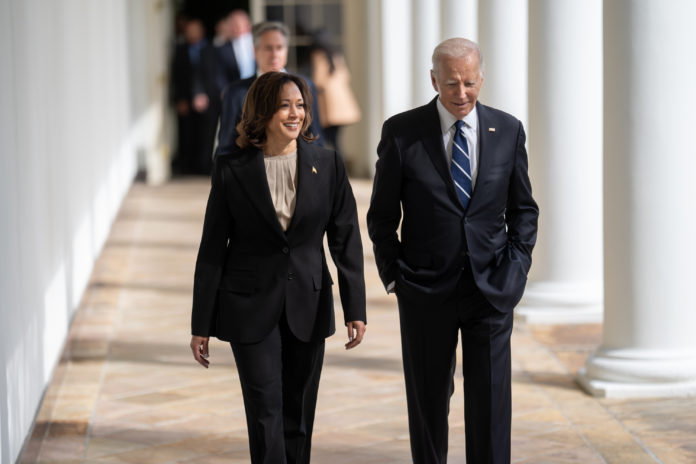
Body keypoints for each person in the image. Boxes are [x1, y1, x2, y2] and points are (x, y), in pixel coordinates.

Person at [367, 38, 538, 464]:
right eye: (450, 84)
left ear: (481, 79)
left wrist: (515, 269)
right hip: (424, 291)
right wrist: (396, 276)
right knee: (427, 405)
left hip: (491, 289)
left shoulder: (508, 129)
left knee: (492, 405)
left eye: (469, 83)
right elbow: (382, 216)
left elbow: (524, 210)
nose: (461, 93)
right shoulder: (402, 132)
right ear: (433, 80)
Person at [190, 72, 366, 464]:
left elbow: (345, 239)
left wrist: (356, 308)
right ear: (263, 110)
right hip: (249, 306)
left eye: (301, 105)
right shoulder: (232, 167)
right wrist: (201, 323)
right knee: (265, 411)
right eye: (285, 105)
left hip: (308, 300)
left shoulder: (328, 163)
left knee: (298, 414)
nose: (295, 113)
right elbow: (213, 248)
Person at [215, 21, 324, 157]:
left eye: (279, 48)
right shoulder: (235, 92)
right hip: (251, 172)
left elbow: (315, 137)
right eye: (268, 48)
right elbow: (226, 145)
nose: (274, 55)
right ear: (255, 51)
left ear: (286, 50)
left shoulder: (305, 85)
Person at [171, 18, 219, 175]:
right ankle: (188, 166)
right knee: (187, 133)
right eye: (188, 31)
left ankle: (205, 165)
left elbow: (215, 76)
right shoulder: (180, 50)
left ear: (201, 32)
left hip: (209, 100)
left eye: (194, 31)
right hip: (186, 100)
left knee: (207, 134)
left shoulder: (212, 49)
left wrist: (208, 96)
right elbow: (176, 76)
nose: (191, 34)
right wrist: (180, 99)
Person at [309, 30, 361, 151]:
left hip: (329, 106)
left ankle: (336, 167)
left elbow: (318, 80)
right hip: (342, 104)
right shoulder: (336, 54)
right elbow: (346, 76)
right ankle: (339, 166)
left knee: (328, 140)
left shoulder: (318, 55)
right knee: (335, 140)